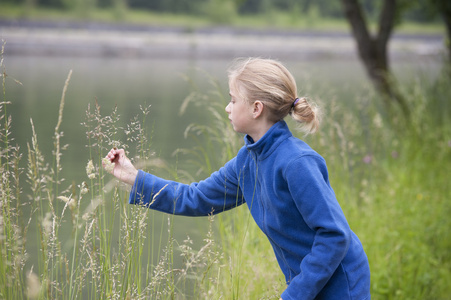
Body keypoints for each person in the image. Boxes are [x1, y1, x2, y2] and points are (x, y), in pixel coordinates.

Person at [103, 57, 371, 300]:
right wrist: (134, 177)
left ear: (256, 108)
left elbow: (334, 235)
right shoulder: (247, 161)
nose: (227, 108)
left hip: (341, 284)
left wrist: (292, 296)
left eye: (233, 99)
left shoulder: (297, 163)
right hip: (306, 284)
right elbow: (195, 198)